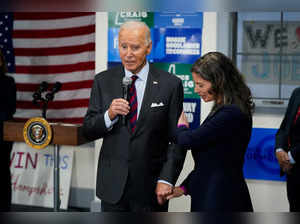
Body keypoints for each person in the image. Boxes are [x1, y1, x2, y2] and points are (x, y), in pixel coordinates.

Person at [82, 21, 186, 212]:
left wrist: (166, 178)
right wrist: (109, 115)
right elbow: (88, 129)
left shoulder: (170, 84)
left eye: (135, 47)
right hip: (113, 187)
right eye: (123, 46)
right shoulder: (103, 81)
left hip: (151, 188)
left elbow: (177, 140)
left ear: (148, 48)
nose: (128, 54)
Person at [166, 52, 254, 212]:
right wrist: (184, 188)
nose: (196, 89)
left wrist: (181, 126)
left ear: (219, 82)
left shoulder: (231, 113)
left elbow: (188, 140)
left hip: (221, 199)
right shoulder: (225, 108)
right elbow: (211, 160)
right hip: (212, 194)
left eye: (201, 85)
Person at [275, 87, 300, 212]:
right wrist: (279, 149)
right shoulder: (297, 93)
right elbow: (285, 126)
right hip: (292, 172)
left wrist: (290, 157)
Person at [0, 49, 16, 211]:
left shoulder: (8, 81)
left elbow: (11, 109)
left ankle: (5, 208)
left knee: (3, 173)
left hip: (3, 134)